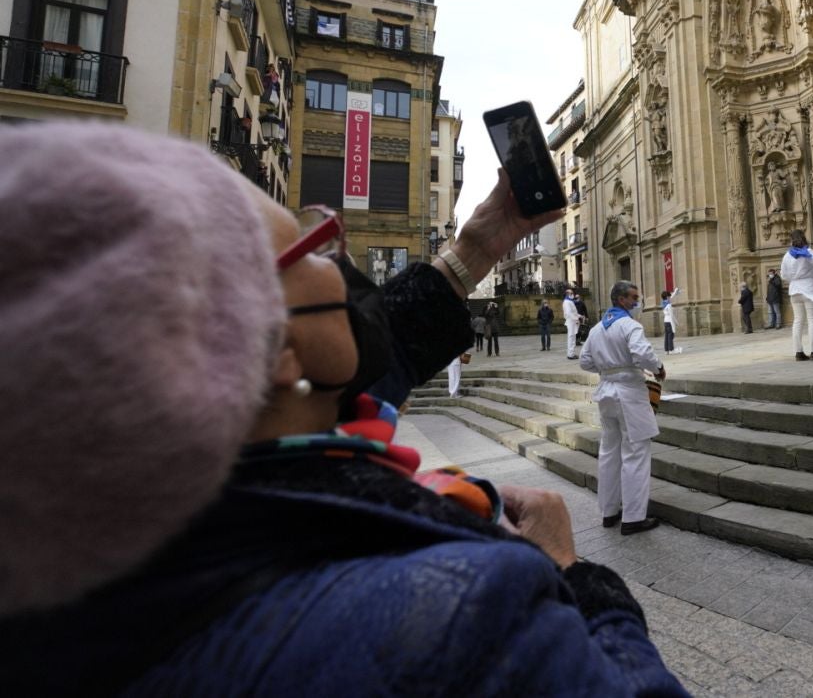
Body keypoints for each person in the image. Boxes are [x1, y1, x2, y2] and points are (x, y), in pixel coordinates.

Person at [0, 124, 689, 696]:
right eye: (309, 245)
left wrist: (479, 244)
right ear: (271, 350)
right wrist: (575, 576)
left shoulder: (107, 530)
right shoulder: (462, 614)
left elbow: (363, 369)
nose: (339, 262)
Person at [579, 281, 665, 536]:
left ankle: (609, 511)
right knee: (636, 452)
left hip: (606, 391)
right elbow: (643, 354)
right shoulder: (630, 325)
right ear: (621, 299)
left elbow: (585, 361)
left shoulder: (596, 329)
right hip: (629, 392)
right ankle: (633, 517)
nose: (637, 302)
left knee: (609, 452)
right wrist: (658, 368)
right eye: (633, 297)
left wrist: (607, 370)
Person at [780, 229, 813, 361]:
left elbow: (783, 275)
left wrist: (794, 277)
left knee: (798, 321)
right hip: (809, 290)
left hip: (795, 291)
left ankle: (798, 352)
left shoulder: (787, 255)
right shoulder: (808, 252)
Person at [661, 287, 681, 354]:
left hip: (665, 321)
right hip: (670, 321)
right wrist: (675, 324)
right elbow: (672, 316)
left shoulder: (663, 303)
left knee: (666, 336)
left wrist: (675, 292)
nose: (670, 298)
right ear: (667, 297)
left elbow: (671, 297)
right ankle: (671, 349)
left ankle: (667, 350)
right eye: (669, 297)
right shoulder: (669, 305)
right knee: (670, 336)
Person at [563, 288, 581, 359]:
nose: (572, 294)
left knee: (572, 337)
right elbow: (569, 313)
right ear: (568, 294)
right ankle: (570, 354)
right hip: (571, 321)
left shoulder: (569, 301)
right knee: (571, 337)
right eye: (571, 293)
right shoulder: (567, 302)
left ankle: (571, 353)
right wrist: (576, 319)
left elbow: (574, 312)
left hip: (572, 320)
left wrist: (579, 316)